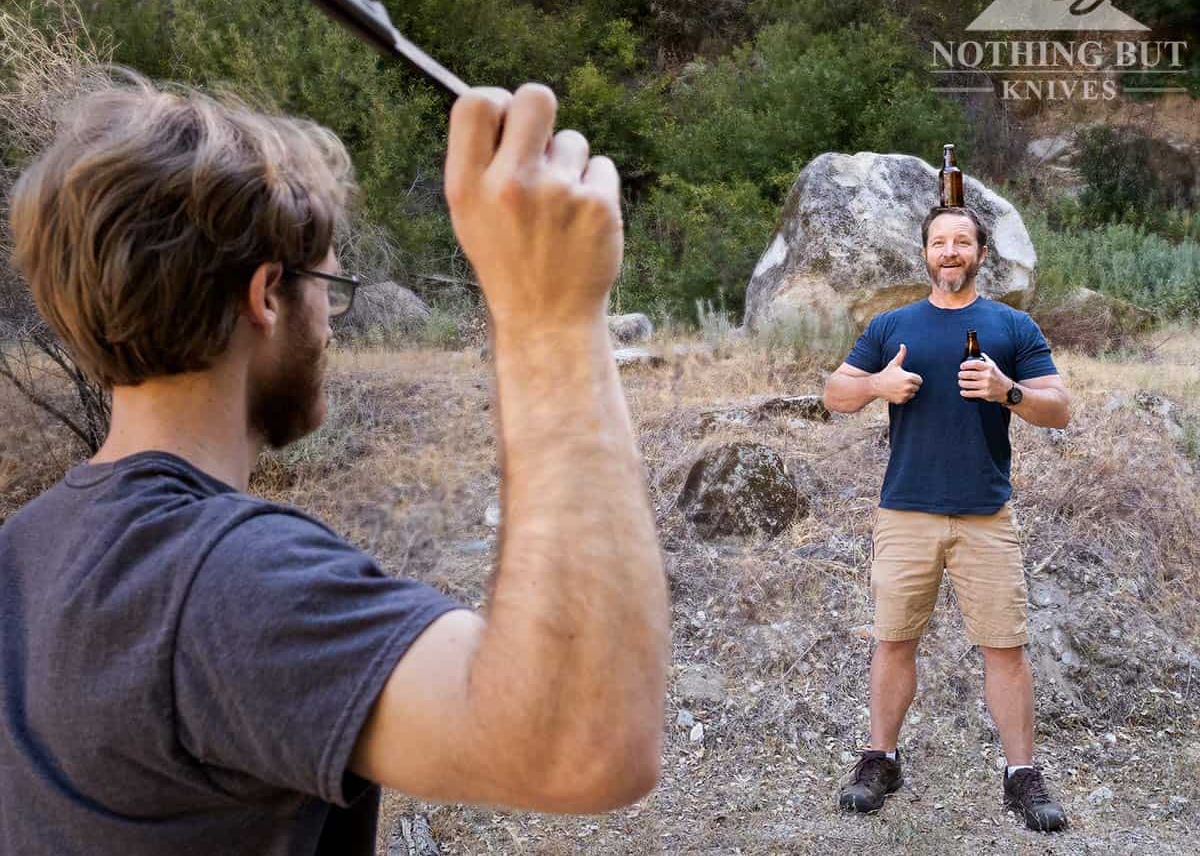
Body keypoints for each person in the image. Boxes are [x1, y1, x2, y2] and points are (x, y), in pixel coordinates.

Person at [0, 72, 670, 855]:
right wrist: (552, 317)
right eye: (328, 286)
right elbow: (585, 741)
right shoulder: (224, 585)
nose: (332, 325)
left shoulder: (22, 555)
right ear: (267, 297)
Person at [822, 206, 1071, 832]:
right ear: (926, 254)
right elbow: (833, 395)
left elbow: (1060, 408)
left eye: (963, 241)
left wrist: (1006, 390)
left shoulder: (1011, 326)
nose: (950, 251)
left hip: (987, 514)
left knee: (1005, 649)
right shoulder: (891, 326)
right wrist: (878, 385)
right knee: (893, 640)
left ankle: (1021, 774)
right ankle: (881, 759)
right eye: (940, 242)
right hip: (905, 512)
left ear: (982, 253)